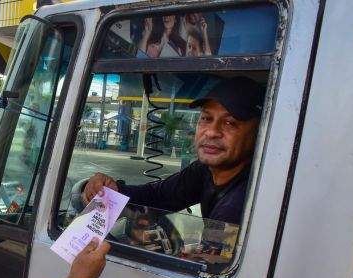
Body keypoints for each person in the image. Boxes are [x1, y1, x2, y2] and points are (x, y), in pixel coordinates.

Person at [83, 76, 264, 226]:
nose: (211, 132)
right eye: (206, 118)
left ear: (259, 133)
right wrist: (113, 190)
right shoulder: (204, 171)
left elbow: (213, 263)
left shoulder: (240, 205)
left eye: (230, 123)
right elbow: (159, 196)